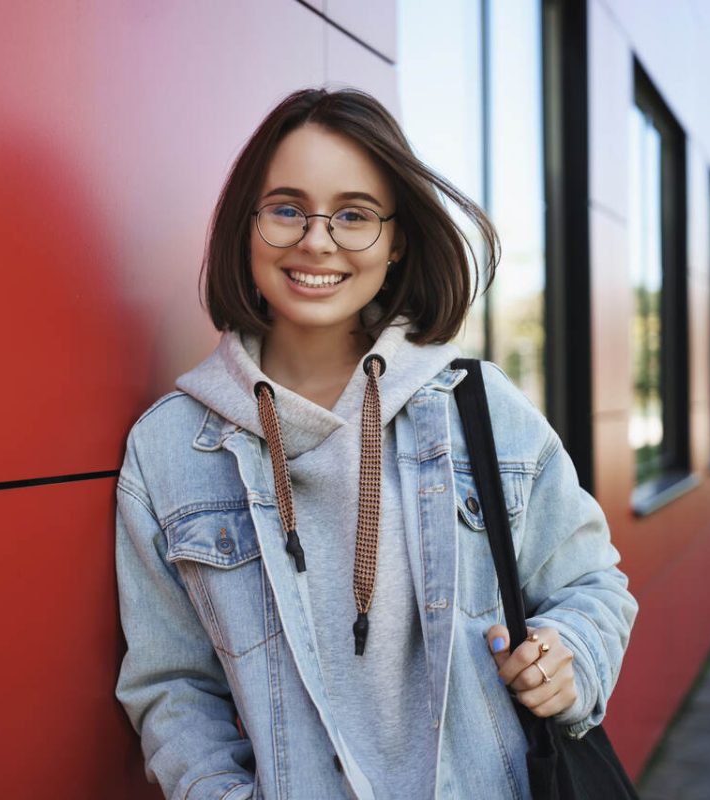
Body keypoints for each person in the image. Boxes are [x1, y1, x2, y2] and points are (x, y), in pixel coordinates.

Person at [114, 87, 637, 800]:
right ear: (247, 225)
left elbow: (592, 585)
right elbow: (172, 685)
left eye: (353, 215)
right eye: (287, 208)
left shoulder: (480, 410)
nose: (317, 239)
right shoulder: (169, 449)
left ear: (395, 243)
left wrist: (568, 655)